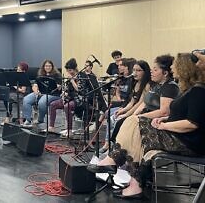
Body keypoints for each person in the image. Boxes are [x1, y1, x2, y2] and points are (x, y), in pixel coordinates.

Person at [88, 53, 205, 199]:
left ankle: (118, 165)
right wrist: (164, 120)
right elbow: (180, 115)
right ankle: (132, 180)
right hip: (178, 135)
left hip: (188, 142)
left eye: (175, 65)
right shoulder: (189, 90)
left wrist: (164, 125)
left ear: (184, 68)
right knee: (133, 123)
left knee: (135, 124)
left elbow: (191, 124)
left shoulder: (198, 91)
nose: (173, 68)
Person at [110, 54, 180, 142]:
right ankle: (113, 148)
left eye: (155, 70)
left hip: (155, 119)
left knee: (124, 125)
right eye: (152, 69)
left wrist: (139, 117)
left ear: (165, 73)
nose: (151, 72)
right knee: (122, 122)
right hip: (145, 115)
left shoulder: (170, 87)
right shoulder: (156, 85)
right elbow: (143, 103)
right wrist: (133, 115)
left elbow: (164, 112)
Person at [100, 60, 151, 152]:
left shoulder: (147, 85)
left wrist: (126, 114)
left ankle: (116, 147)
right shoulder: (135, 83)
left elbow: (139, 103)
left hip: (140, 111)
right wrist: (122, 111)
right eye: (134, 70)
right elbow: (132, 102)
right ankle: (108, 144)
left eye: (138, 70)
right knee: (113, 117)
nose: (135, 73)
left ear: (145, 72)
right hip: (132, 109)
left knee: (118, 121)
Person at [22, 59, 62, 128]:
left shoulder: (57, 75)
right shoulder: (40, 75)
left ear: (52, 67)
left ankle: (40, 119)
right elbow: (34, 85)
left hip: (53, 95)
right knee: (26, 99)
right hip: (41, 93)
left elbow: (58, 88)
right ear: (43, 67)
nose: (48, 67)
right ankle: (28, 120)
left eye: (49, 66)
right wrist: (36, 92)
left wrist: (58, 86)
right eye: (46, 66)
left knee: (42, 102)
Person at [48, 58, 79, 137]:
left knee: (66, 106)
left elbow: (78, 89)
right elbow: (68, 89)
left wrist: (72, 81)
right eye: (68, 70)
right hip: (68, 98)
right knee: (52, 104)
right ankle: (51, 127)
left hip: (77, 99)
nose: (69, 72)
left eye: (70, 70)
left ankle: (69, 130)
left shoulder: (79, 77)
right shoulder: (68, 77)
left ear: (75, 69)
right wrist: (64, 93)